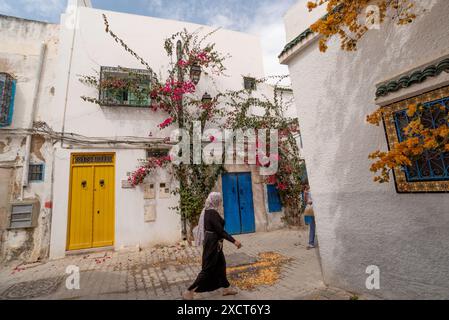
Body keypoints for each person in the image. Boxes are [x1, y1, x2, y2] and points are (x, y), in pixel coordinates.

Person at [183, 192, 242, 300]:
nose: (220, 202)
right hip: (213, 244)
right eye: (219, 200)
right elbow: (220, 231)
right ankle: (189, 291)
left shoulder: (207, 211)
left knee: (221, 265)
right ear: (215, 201)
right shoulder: (212, 213)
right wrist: (234, 241)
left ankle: (226, 288)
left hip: (214, 243)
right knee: (207, 269)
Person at [304, 185, 316, 250]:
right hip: (312, 210)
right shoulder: (308, 190)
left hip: (319, 209)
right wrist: (305, 194)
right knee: (312, 226)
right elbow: (306, 201)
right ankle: (311, 243)